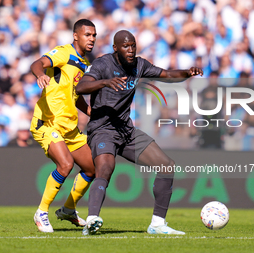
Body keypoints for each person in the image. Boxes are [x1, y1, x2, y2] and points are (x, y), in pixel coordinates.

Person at [76, 30, 203, 235]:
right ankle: (92, 220)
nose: (131, 50)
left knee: (167, 165)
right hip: (103, 129)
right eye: (126, 46)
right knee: (106, 168)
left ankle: (157, 224)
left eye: (133, 45)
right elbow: (81, 87)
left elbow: (167, 74)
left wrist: (187, 73)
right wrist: (105, 82)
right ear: (115, 48)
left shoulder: (139, 65)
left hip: (126, 130)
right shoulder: (102, 64)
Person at [30, 19, 97, 233]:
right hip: (47, 123)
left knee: (92, 168)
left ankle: (68, 209)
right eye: (88, 34)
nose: (92, 39)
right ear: (76, 35)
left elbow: (74, 96)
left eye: (94, 35)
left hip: (70, 128)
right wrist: (40, 74)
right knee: (66, 165)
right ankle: (41, 212)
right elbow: (37, 63)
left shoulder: (84, 63)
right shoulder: (63, 53)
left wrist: (90, 112)